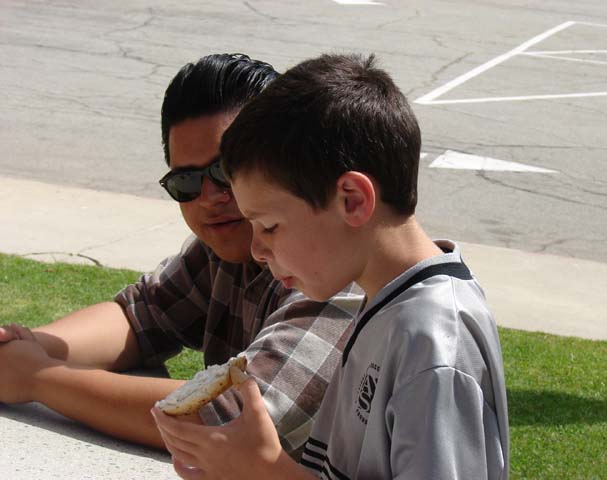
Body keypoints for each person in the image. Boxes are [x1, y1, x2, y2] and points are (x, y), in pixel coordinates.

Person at [152, 53, 510, 479]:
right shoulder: (383, 306)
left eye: (269, 226)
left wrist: (265, 471)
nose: (258, 250)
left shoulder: (432, 341)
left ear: (352, 201)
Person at [0, 53, 361, 454]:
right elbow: (142, 315)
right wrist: (23, 349)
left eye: (225, 171)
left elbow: (235, 419)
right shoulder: (225, 248)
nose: (209, 198)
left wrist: (39, 377)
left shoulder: (332, 269)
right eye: (186, 181)